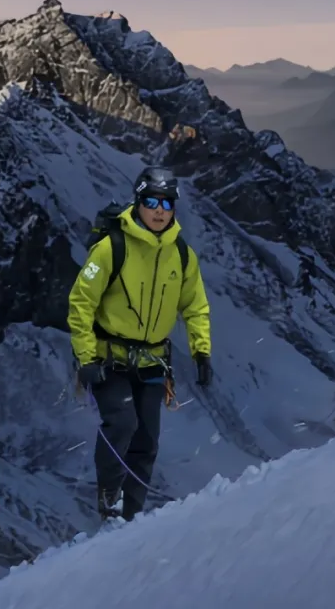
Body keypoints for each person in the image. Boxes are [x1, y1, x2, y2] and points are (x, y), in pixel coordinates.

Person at [67, 165, 212, 521]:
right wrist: (86, 359)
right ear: (138, 201)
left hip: (152, 363)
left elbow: (195, 306)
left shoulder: (182, 255)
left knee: (146, 441)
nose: (160, 211)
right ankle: (110, 502)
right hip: (108, 361)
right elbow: (81, 302)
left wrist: (202, 352)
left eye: (167, 203)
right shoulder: (111, 248)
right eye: (152, 202)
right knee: (122, 424)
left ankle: (131, 517)